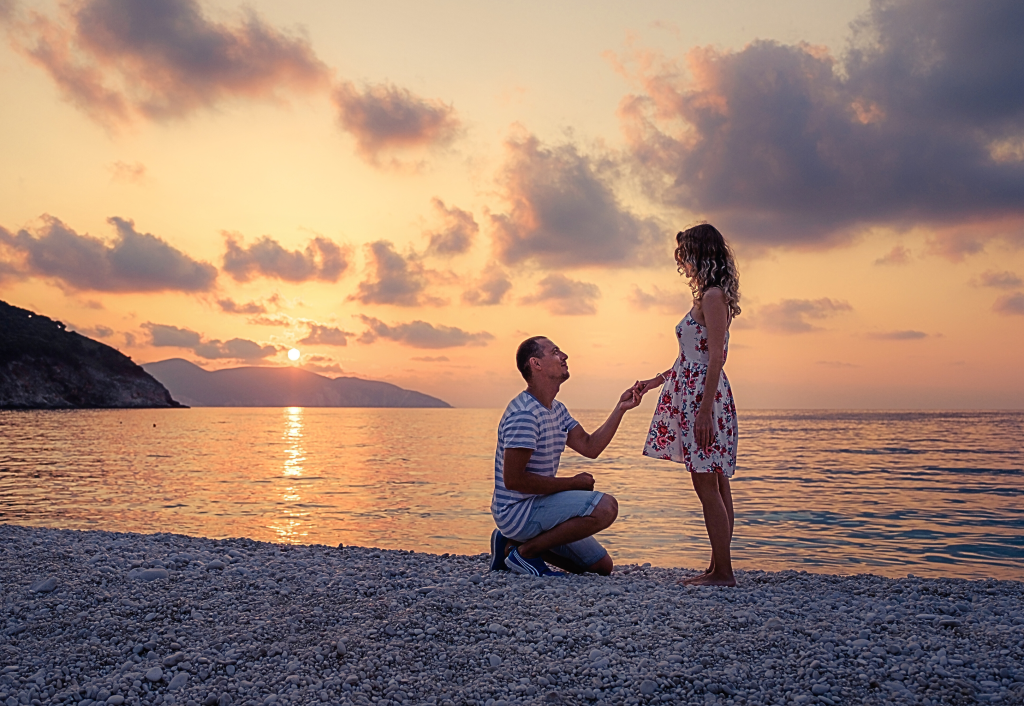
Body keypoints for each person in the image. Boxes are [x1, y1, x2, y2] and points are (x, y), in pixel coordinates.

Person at [635, 223, 741, 587]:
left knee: (708, 485)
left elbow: (715, 359)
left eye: (685, 255)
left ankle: (723, 572)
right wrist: (654, 382)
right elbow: (687, 359)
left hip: (703, 398)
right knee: (715, 482)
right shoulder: (708, 296)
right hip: (695, 391)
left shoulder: (713, 297)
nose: (681, 263)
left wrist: (703, 411)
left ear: (700, 253)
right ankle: (717, 567)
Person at [489, 336, 642, 576]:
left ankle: (510, 546)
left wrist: (620, 409)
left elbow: (590, 447)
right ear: (536, 363)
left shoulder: (557, 409)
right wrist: (573, 484)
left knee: (601, 567)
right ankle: (525, 553)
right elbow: (514, 481)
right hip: (516, 511)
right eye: (555, 352)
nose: (564, 356)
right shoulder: (525, 414)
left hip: (535, 507)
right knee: (605, 507)